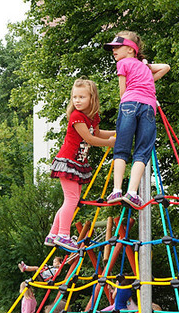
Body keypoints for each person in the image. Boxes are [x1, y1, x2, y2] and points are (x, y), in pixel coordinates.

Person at [45, 78, 116, 251]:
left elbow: (98, 132)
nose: (77, 100)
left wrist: (117, 132)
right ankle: (63, 235)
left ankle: (53, 234)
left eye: (82, 97)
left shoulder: (92, 117)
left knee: (71, 200)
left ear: (92, 98)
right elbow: (90, 138)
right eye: (75, 97)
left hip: (77, 163)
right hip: (68, 161)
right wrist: (111, 143)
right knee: (71, 199)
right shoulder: (76, 116)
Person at [103, 31, 170, 208]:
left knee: (122, 147)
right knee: (142, 151)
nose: (114, 51)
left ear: (131, 50)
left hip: (129, 104)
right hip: (148, 107)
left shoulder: (123, 63)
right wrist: (146, 72)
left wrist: (133, 92)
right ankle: (132, 192)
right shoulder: (144, 67)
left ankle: (117, 190)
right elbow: (166, 67)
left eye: (118, 47)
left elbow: (122, 92)